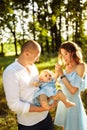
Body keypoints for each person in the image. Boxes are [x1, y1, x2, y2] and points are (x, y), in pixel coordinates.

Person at [2, 40, 57, 130]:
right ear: (27, 53)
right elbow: (14, 105)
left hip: (45, 118)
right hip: (29, 124)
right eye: (36, 56)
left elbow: (40, 88)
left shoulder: (33, 67)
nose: (38, 60)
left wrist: (49, 98)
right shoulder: (11, 72)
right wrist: (40, 109)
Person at [54, 41, 87, 130]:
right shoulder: (65, 67)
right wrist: (56, 74)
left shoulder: (81, 66)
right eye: (62, 55)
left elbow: (73, 91)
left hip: (74, 104)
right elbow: (52, 84)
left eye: (66, 54)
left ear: (72, 53)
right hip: (63, 104)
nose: (64, 57)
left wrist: (61, 74)